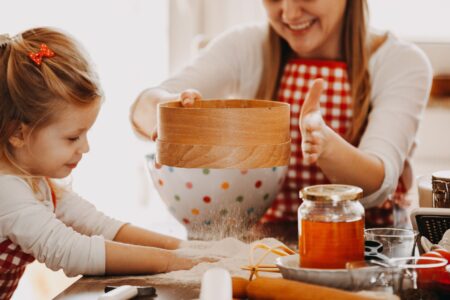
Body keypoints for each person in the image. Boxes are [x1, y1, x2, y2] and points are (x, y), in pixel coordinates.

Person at [130, 0, 432, 229]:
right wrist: (167, 111)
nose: (288, 14)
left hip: (367, 253)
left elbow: (377, 182)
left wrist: (326, 146)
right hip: (263, 250)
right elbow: (142, 106)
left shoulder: (400, 62)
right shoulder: (246, 45)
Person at [0, 27, 212, 300]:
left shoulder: (37, 181)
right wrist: (178, 264)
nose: (85, 148)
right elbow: (72, 251)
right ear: (18, 133)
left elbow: (101, 226)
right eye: (73, 137)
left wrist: (186, 249)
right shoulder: (6, 190)